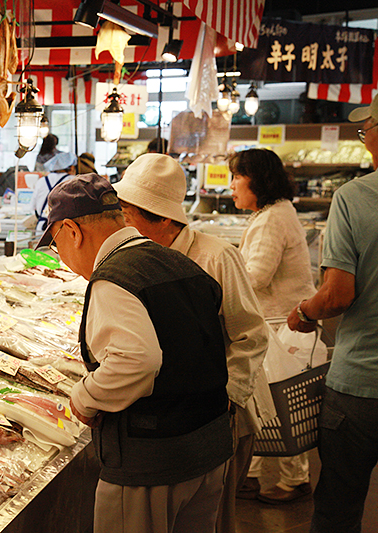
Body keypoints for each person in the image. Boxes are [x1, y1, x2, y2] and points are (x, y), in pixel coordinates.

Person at [38, 173, 233, 533]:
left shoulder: (114, 278)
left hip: (153, 464)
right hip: (207, 451)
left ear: (72, 231)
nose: (61, 257)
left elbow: (137, 360)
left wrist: (85, 397)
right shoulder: (178, 262)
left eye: (55, 244)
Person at [113, 153, 272, 532]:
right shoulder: (138, 258)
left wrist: (228, 396)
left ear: (165, 218)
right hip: (178, 416)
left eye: (129, 216)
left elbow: (251, 334)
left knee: (216, 520)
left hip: (226, 410)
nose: (122, 226)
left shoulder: (216, 257)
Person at [286, 93, 378, 532]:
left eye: (366, 133)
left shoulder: (355, 197)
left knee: (339, 510)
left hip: (361, 387)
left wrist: (304, 311)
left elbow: (337, 295)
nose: (364, 142)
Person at [228, 148, 317, 504]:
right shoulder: (273, 213)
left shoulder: (271, 218)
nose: (232, 185)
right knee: (262, 402)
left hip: (285, 325)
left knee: (280, 403)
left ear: (258, 180)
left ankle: (295, 480)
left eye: (237, 177)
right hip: (279, 323)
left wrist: (222, 277)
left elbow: (256, 276)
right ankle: (249, 475)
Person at [32, 152, 76, 231]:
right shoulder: (73, 180)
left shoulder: (41, 181)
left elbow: (32, 207)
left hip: (41, 228)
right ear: (72, 168)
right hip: (62, 229)